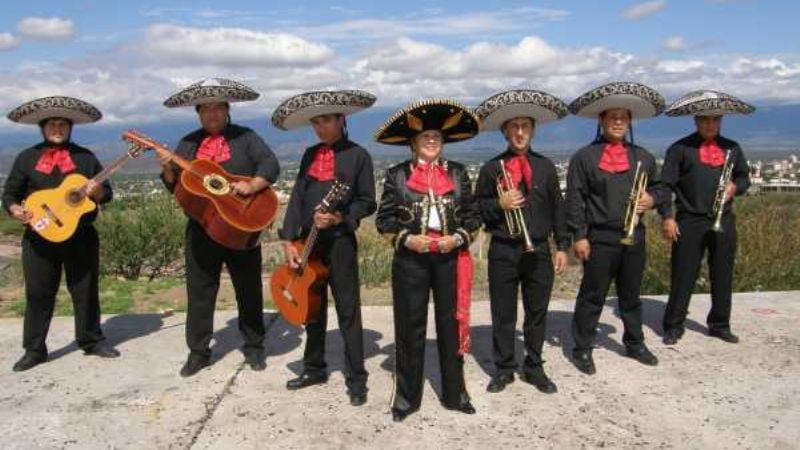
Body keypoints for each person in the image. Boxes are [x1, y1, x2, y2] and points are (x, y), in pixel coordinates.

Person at [159, 78, 280, 377]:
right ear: (198, 114)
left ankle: (254, 345)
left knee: (248, 289)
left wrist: (252, 185)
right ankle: (198, 352)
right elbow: (175, 187)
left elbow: (270, 165)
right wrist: (167, 167)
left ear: (227, 110)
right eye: (205, 109)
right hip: (202, 229)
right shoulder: (188, 144)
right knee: (200, 291)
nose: (212, 114)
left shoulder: (246, 137)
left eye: (217, 108)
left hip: (241, 226)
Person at [375, 98, 482, 422]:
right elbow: (384, 221)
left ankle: (455, 394)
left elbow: (473, 217)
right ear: (413, 142)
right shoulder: (396, 176)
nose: (432, 140)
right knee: (410, 328)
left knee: (451, 327)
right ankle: (406, 399)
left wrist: (457, 238)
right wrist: (408, 240)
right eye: (425, 136)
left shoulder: (459, 174)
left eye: (436, 136)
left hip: (449, 260)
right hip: (410, 263)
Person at [273, 90, 377, 406]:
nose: (320, 128)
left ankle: (356, 379)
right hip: (308, 244)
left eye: (326, 121)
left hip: (340, 244)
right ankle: (314, 369)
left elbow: (367, 201)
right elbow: (297, 199)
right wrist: (289, 241)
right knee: (312, 309)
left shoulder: (358, 155)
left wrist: (340, 217)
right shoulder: (309, 154)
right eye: (315, 122)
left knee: (348, 311)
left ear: (341, 120)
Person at [2, 96, 119, 371]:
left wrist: (97, 192)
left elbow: (107, 194)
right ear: (42, 127)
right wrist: (15, 209)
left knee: (85, 290)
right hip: (39, 238)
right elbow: (9, 195)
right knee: (38, 293)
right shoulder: (27, 157)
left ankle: (91, 340)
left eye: (62, 124)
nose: (57, 129)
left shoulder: (85, 157)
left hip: (81, 237)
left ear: (70, 127)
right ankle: (34, 349)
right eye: (52, 124)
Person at [565, 82, 668, 375]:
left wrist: (651, 198)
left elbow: (662, 189)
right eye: (613, 117)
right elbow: (575, 201)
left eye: (623, 117)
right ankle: (582, 348)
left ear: (630, 121)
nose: (618, 122)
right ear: (602, 120)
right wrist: (579, 236)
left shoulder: (643, 157)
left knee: (631, 295)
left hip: (635, 235)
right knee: (592, 295)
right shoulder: (584, 157)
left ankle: (635, 343)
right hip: (599, 237)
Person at [474, 89, 571, 393]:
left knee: (537, 312)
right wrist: (498, 204)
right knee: (503, 313)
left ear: (532, 130)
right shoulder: (491, 169)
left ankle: (534, 367)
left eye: (525, 126)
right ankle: (504, 369)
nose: (519, 132)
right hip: (503, 249)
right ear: (505, 132)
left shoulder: (545, 167)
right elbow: (476, 210)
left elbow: (558, 209)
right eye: (513, 127)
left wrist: (562, 246)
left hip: (538, 249)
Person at [659, 90, 754, 345]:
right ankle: (673, 325)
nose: (710, 125)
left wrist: (735, 187)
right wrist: (667, 217)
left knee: (722, 273)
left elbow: (744, 178)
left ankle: (720, 324)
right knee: (683, 274)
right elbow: (665, 186)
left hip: (724, 218)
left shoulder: (732, 148)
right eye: (705, 120)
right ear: (696, 121)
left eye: (715, 120)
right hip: (689, 220)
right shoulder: (679, 149)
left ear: (721, 121)